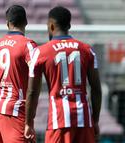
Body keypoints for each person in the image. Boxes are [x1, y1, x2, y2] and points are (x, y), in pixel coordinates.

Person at [24, 6, 102, 143]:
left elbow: (32, 92)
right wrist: (95, 120)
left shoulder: (40, 52)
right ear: (69, 25)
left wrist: (28, 123)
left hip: (58, 120)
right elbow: (96, 89)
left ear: (51, 26)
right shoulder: (87, 50)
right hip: (84, 120)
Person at [0, 5, 38, 143]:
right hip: (17, 109)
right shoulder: (28, 45)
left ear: (7, 23)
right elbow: (36, 74)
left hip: (1, 108)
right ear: (26, 22)